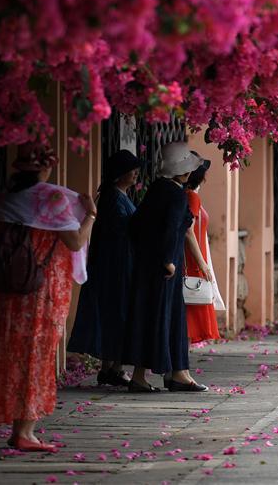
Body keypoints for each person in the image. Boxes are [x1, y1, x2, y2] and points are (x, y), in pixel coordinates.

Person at [0, 142, 95, 452]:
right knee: (36, 357)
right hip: (41, 292)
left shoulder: (4, 202)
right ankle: (25, 431)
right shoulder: (53, 200)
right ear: (45, 168)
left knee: (10, 354)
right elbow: (76, 242)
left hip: (7, 293)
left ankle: (18, 426)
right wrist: (91, 216)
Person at [121, 142, 208, 392]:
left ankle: (145, 375)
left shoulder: (156, 189)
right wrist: (168, 260)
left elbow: (136, 224)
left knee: (148, 317)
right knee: (165, 318)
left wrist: (147, 253)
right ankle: (176, 374)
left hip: (147, 264)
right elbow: (171, 230)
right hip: (165, 267)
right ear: (185, 172)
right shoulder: (176, 195)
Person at [68, 149, 140, 386]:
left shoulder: (117, 195)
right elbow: (123, 230)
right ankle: (113, 367)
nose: (136, 174)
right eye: (132, 170)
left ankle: (111, 366)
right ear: (120, 174)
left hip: (116, 264)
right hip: (114, 266)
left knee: (115, 315)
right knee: (117, 315)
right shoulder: (113, 198)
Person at [183, 155, 225, 343]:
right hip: (193, 261)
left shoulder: (188, 195)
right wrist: (202, 264)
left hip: (193, 257)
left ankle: (179, 368)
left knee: (188, 315)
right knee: (190, 315)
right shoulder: (192, 197)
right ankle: (179, 368)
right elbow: (188, 230)